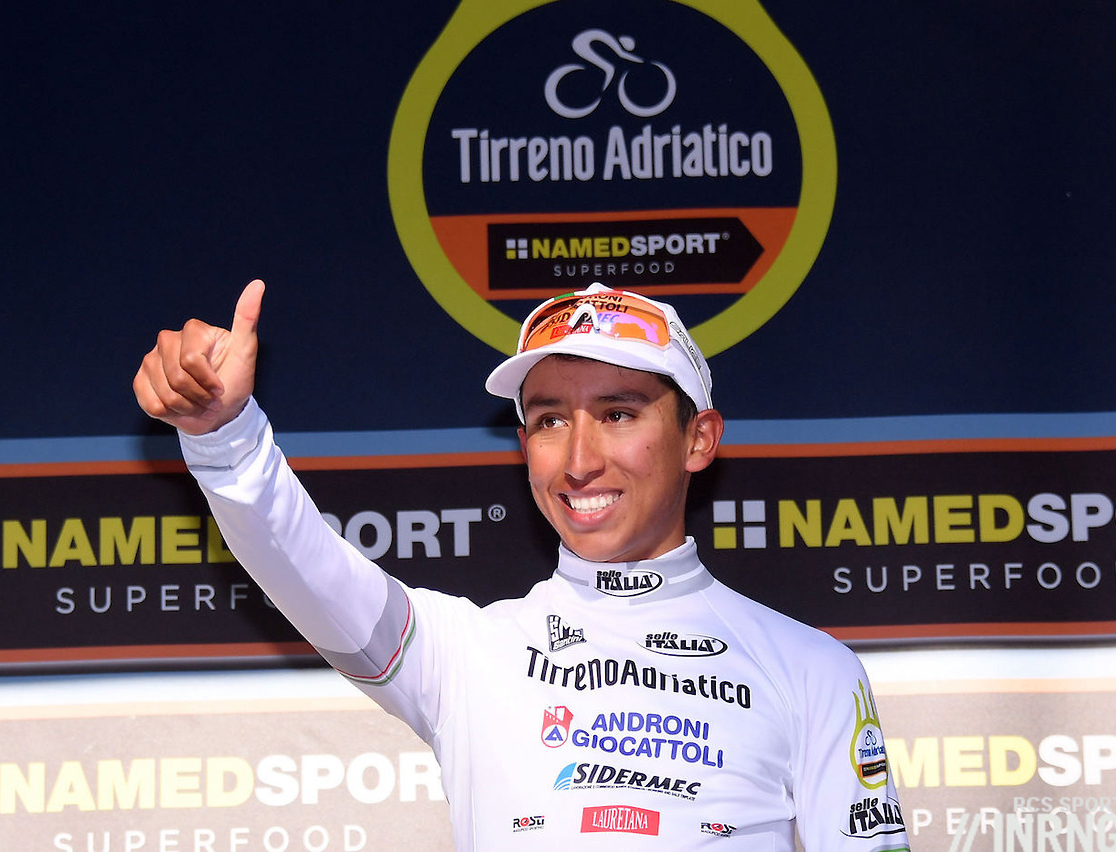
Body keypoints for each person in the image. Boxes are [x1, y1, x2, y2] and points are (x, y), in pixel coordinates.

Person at [134, 281, 910, 851]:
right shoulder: (463, 654)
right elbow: (303, 565)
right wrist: (224, 437)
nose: (579, 459)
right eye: (549, 421)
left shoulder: (811, 670)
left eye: (618, 413)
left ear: (699, 439)